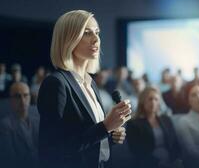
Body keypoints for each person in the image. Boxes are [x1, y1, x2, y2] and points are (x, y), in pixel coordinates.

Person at [37, 10, 132, 168]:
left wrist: (110, 135)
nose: (96, 39)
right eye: (87, 33)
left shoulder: (90, 83)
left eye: (97, 32)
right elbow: (52, 150)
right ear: (69, 39)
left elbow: (88, 138)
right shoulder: (55, 83)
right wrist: (105, 127)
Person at [127, 86, 182, 168]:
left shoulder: (166, 119)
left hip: (170, 161)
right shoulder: (133, 124)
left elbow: (175, 143)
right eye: (150, 99)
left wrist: (176, 159)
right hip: (149, 164)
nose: (153, 102)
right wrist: (159, 163)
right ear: (143, 101)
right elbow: (137, 152)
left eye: (156, 99)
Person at [0, 82, 39, 168]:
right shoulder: (5, 126)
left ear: (30, 97)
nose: (22, 101)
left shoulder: (37, 121)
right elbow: (10, 160)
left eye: (25, 95)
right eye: (18, 96)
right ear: (11, 100)